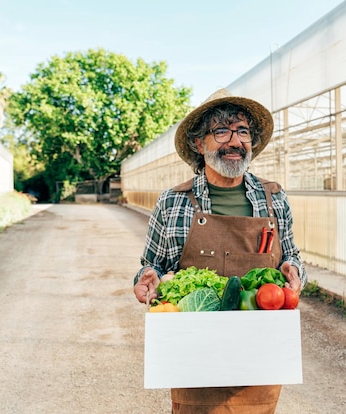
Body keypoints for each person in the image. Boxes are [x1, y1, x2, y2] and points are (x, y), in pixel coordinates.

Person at [133, 88, 307, 413]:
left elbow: (290, 258)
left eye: (242, 131)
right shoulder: (173, 202)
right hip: (194, 352)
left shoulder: (273, 199)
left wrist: (294, 271)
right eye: (221, 131)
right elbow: (152, 265)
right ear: (200, 144)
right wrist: (148, 278)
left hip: (258, 353)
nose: (235, 141)